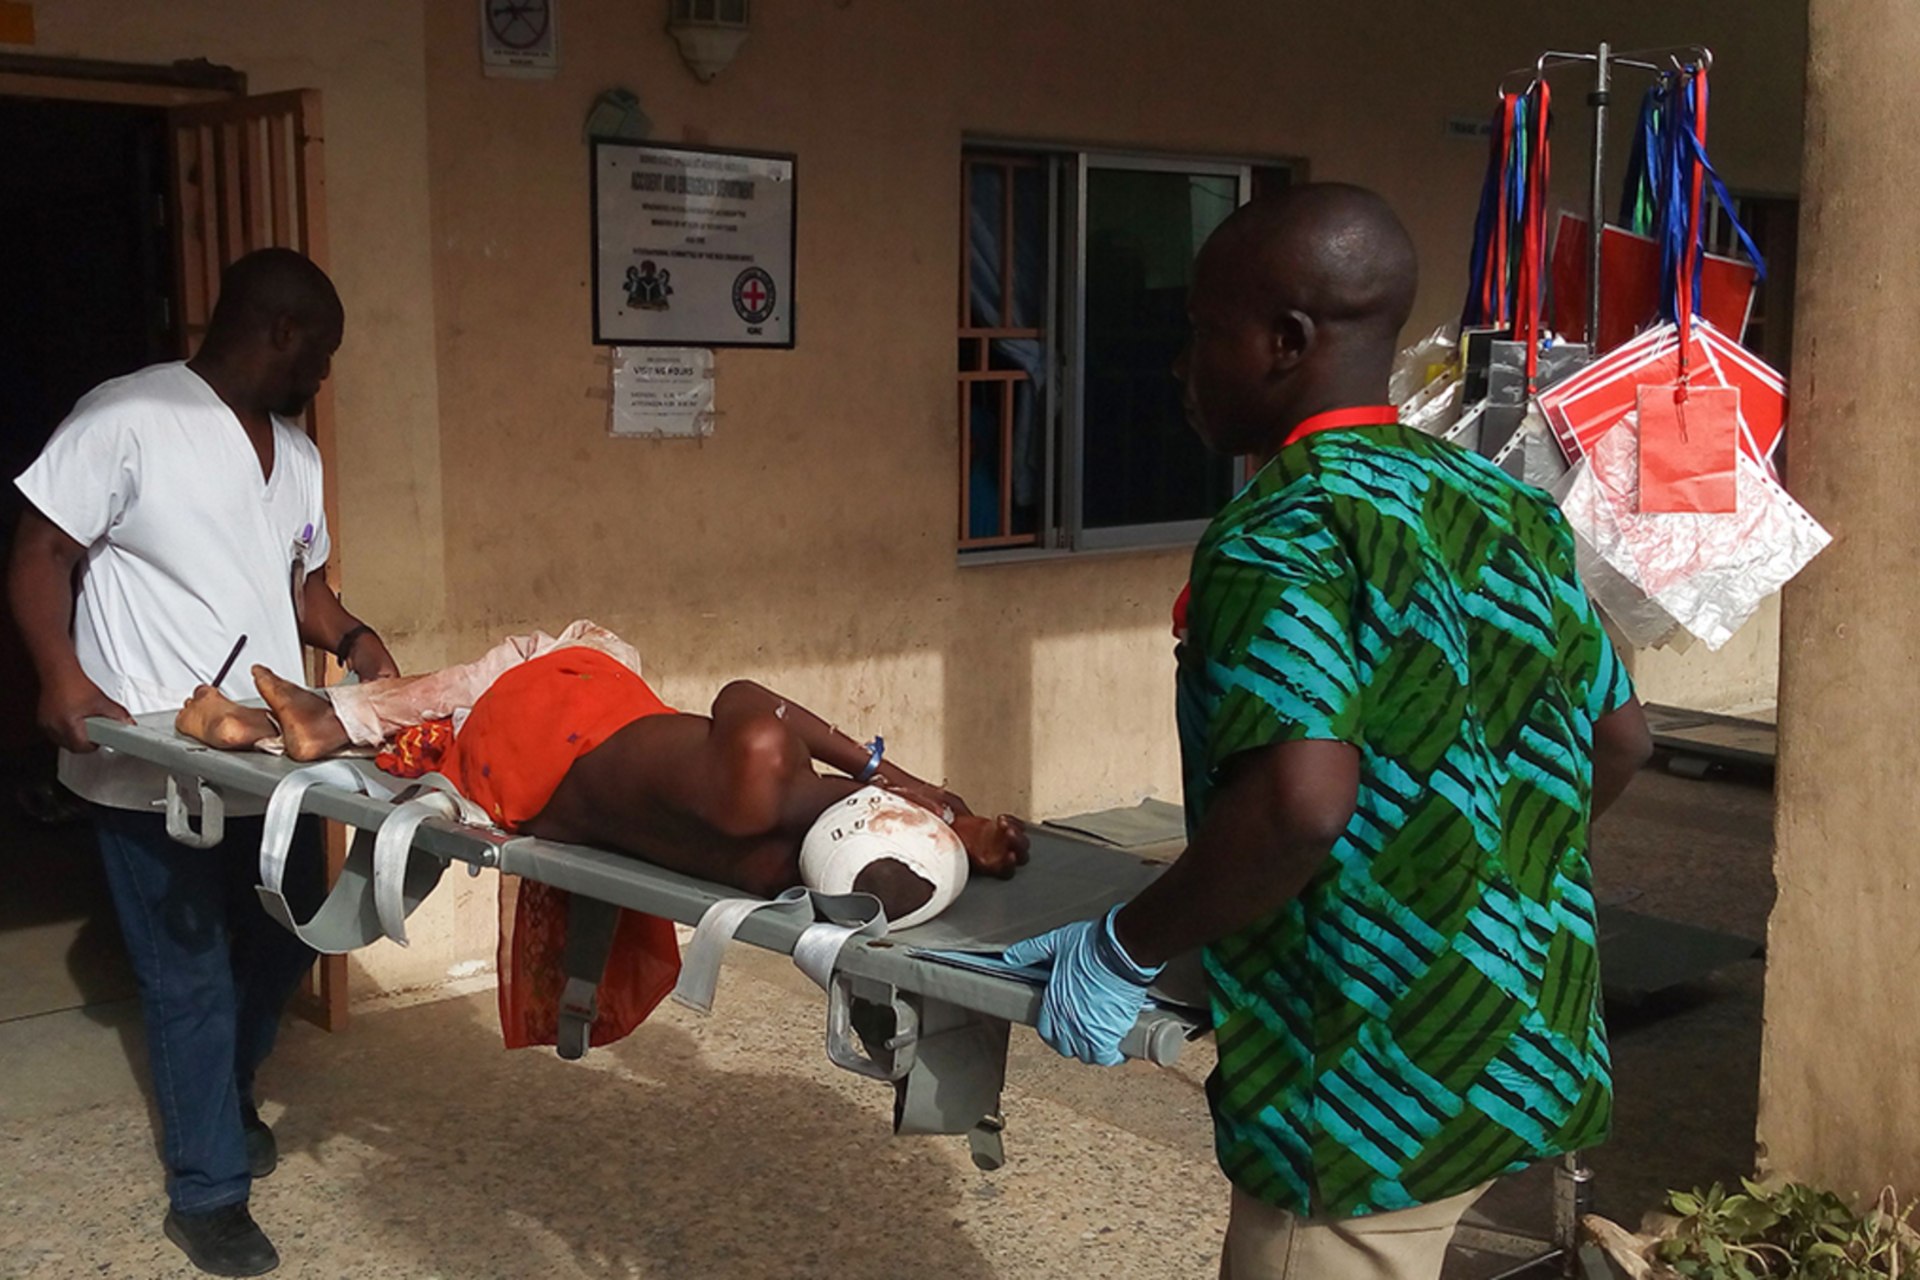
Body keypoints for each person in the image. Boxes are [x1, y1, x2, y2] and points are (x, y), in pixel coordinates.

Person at [1002, 185, 1655, 1280]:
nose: (1179, 364)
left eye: (1201, 331)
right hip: (1526, 1038)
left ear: (1284, 342)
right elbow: (1621, 736)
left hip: (1368, 1091)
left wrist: (1124, 944)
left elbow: (1298, 807)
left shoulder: (1284, 530)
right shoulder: (1502, 505)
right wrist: (1479, 886)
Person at [7, 248, 397, 1278]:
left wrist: (353, 638)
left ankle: (220, 1089)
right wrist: (58, 674)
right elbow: (41, 550)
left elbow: (300, 580)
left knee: (295, 931)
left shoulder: (297, 453)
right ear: (281, 332)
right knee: (186, 977)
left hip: (267, 767)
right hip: (148, 764)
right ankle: (209, 1190)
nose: (324, 375)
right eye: (322, 353)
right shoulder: (125, 418)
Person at [175, 619, 1030, 920]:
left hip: (550, 732)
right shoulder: (772, 872)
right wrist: (950, 835)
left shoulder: (763, 761)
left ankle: (324, 718)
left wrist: (905, 779)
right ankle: (297, 720)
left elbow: (747, 693)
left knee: (556, 648)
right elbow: (855, 844)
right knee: (478, 695)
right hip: (523, 799)